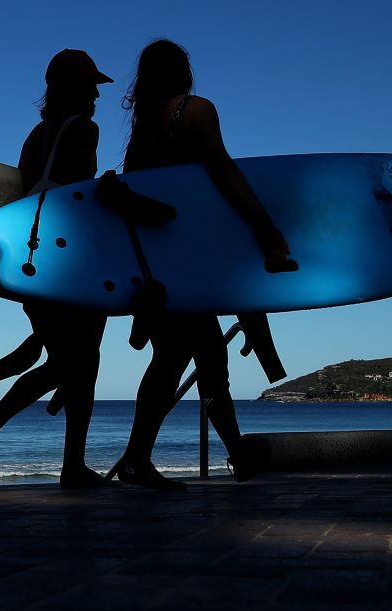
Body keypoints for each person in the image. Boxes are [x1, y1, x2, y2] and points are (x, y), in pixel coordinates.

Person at [117, 39, 292, 491]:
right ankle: (143, 459)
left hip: (159, 262)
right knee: (184, 360)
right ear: (183, 72)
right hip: (194, 262)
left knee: (193, 359)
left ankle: (234, 456)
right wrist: (265, 228)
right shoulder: (194, 110)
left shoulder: (141, 133)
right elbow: (222, 169)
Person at [0, 49, 113, 489]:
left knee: (73, 362)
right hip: (71, 259)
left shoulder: (34, 136)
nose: (96, 97)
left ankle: (69, 464)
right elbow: (78, 199)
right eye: (91, 87)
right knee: (79, 361)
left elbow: (29, 196)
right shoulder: (85, 130)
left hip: (31, 262)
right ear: (75, 89)